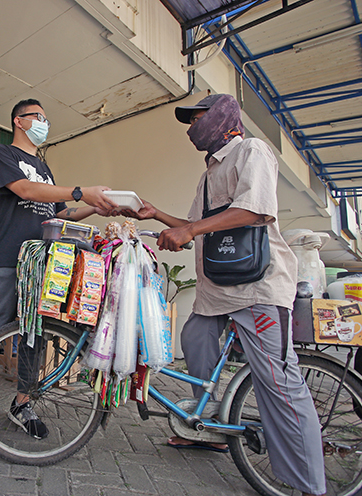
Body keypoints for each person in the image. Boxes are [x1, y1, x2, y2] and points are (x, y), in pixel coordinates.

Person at [129, 94, 326, 496]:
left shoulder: (252, 150)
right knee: (195, 337)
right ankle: (207, 427)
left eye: (198, 117)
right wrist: (158, 215)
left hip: (257, 287)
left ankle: (310, 483)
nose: (192, 126)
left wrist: (188, 231)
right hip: (219, 289)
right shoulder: (209, 172)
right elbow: (197, 225)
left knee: (277, 382)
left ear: (220, 118)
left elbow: (254, 211)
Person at [0, 98, 117, 439]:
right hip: (8, 257)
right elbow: (23, 189)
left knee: (33, 335)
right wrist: (82, 191)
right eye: (38, 117)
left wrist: (96, 207)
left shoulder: (46, 170)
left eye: (46, 118)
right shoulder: (2, 155)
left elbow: (60, 214)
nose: (44, 123)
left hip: (42, 263)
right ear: (18, 121)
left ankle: (22, 403)